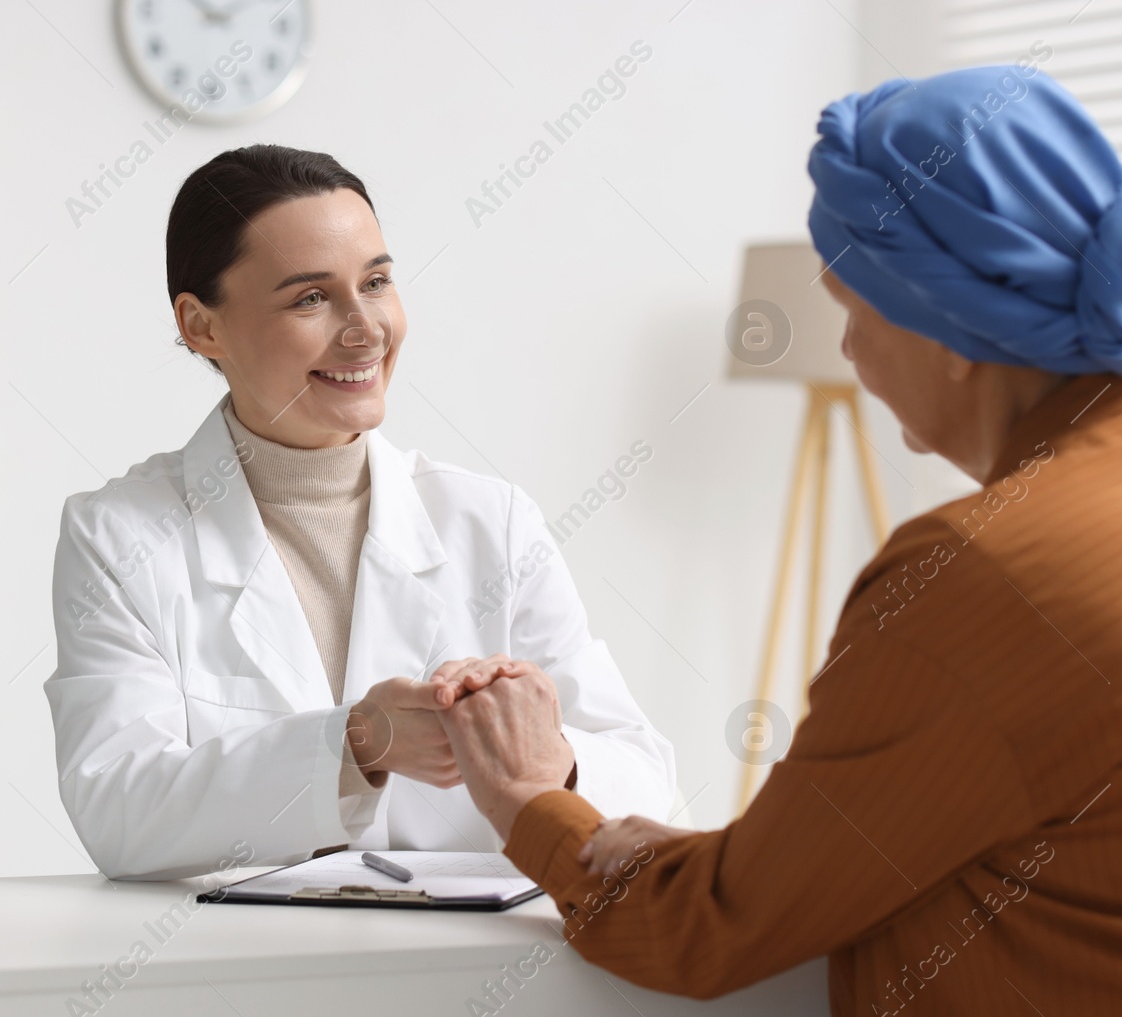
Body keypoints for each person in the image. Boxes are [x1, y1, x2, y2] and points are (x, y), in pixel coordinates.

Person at [431, 67, 1122, 1017]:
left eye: (851, 305)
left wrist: (530, 801)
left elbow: (709, 930)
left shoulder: (983, 566)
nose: (850, 351)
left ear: (941, 324)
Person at [44, 146, 674, 880]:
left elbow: (648, 781)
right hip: (237, 972)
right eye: (311, 298)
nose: (365, 328)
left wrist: (546, 755)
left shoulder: (490, 522)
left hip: (471, 971)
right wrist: (355, 745)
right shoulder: (119, 535)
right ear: (201, 325)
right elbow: (121, 811)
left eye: (375, 281)